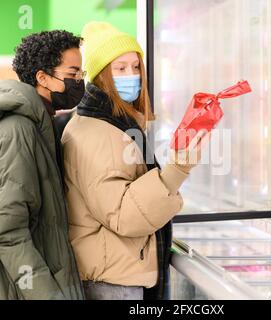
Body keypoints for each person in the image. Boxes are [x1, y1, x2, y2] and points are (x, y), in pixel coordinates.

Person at [62, 22, 210, 300]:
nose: (131, 75)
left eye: (135, 66)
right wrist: (177, 169)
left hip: (114, 270)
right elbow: (124, 215)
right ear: (101, 76)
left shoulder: (112, 123)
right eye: (119, 68)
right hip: (111, 281)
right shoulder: (97, 131)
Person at [0, 30, 86, 300]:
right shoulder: (19, 132)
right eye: (73, 73)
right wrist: (47, 295)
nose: (80, 81)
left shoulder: (39, 125)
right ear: (43, 78)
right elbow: (8, 233)